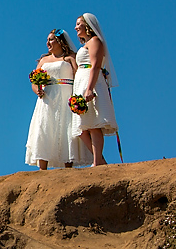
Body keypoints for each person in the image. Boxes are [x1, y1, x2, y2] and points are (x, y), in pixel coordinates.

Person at [26, 29, 93, 169]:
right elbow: (34, 81)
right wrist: (37, 90)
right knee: (44, 127)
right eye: (47, 40)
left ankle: (68, 165)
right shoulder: (44, 60)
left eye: (51, 39)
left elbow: (78, 76)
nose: (48, 43)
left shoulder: (69, 58)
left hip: (66, 96)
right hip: (47, 98)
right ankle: (42, 167)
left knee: (65, 128)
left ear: (60, 41)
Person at [71, 13, 119, 166]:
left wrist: (90, 88)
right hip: (80, 82)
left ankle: (97, 161)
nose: (76, 27)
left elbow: (96, 65)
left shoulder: (95, 41)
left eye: (79, 24)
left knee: (93, 124)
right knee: (82, 127)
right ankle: (101, 161)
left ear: (88, 25)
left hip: (90, 82)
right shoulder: (85, 44)